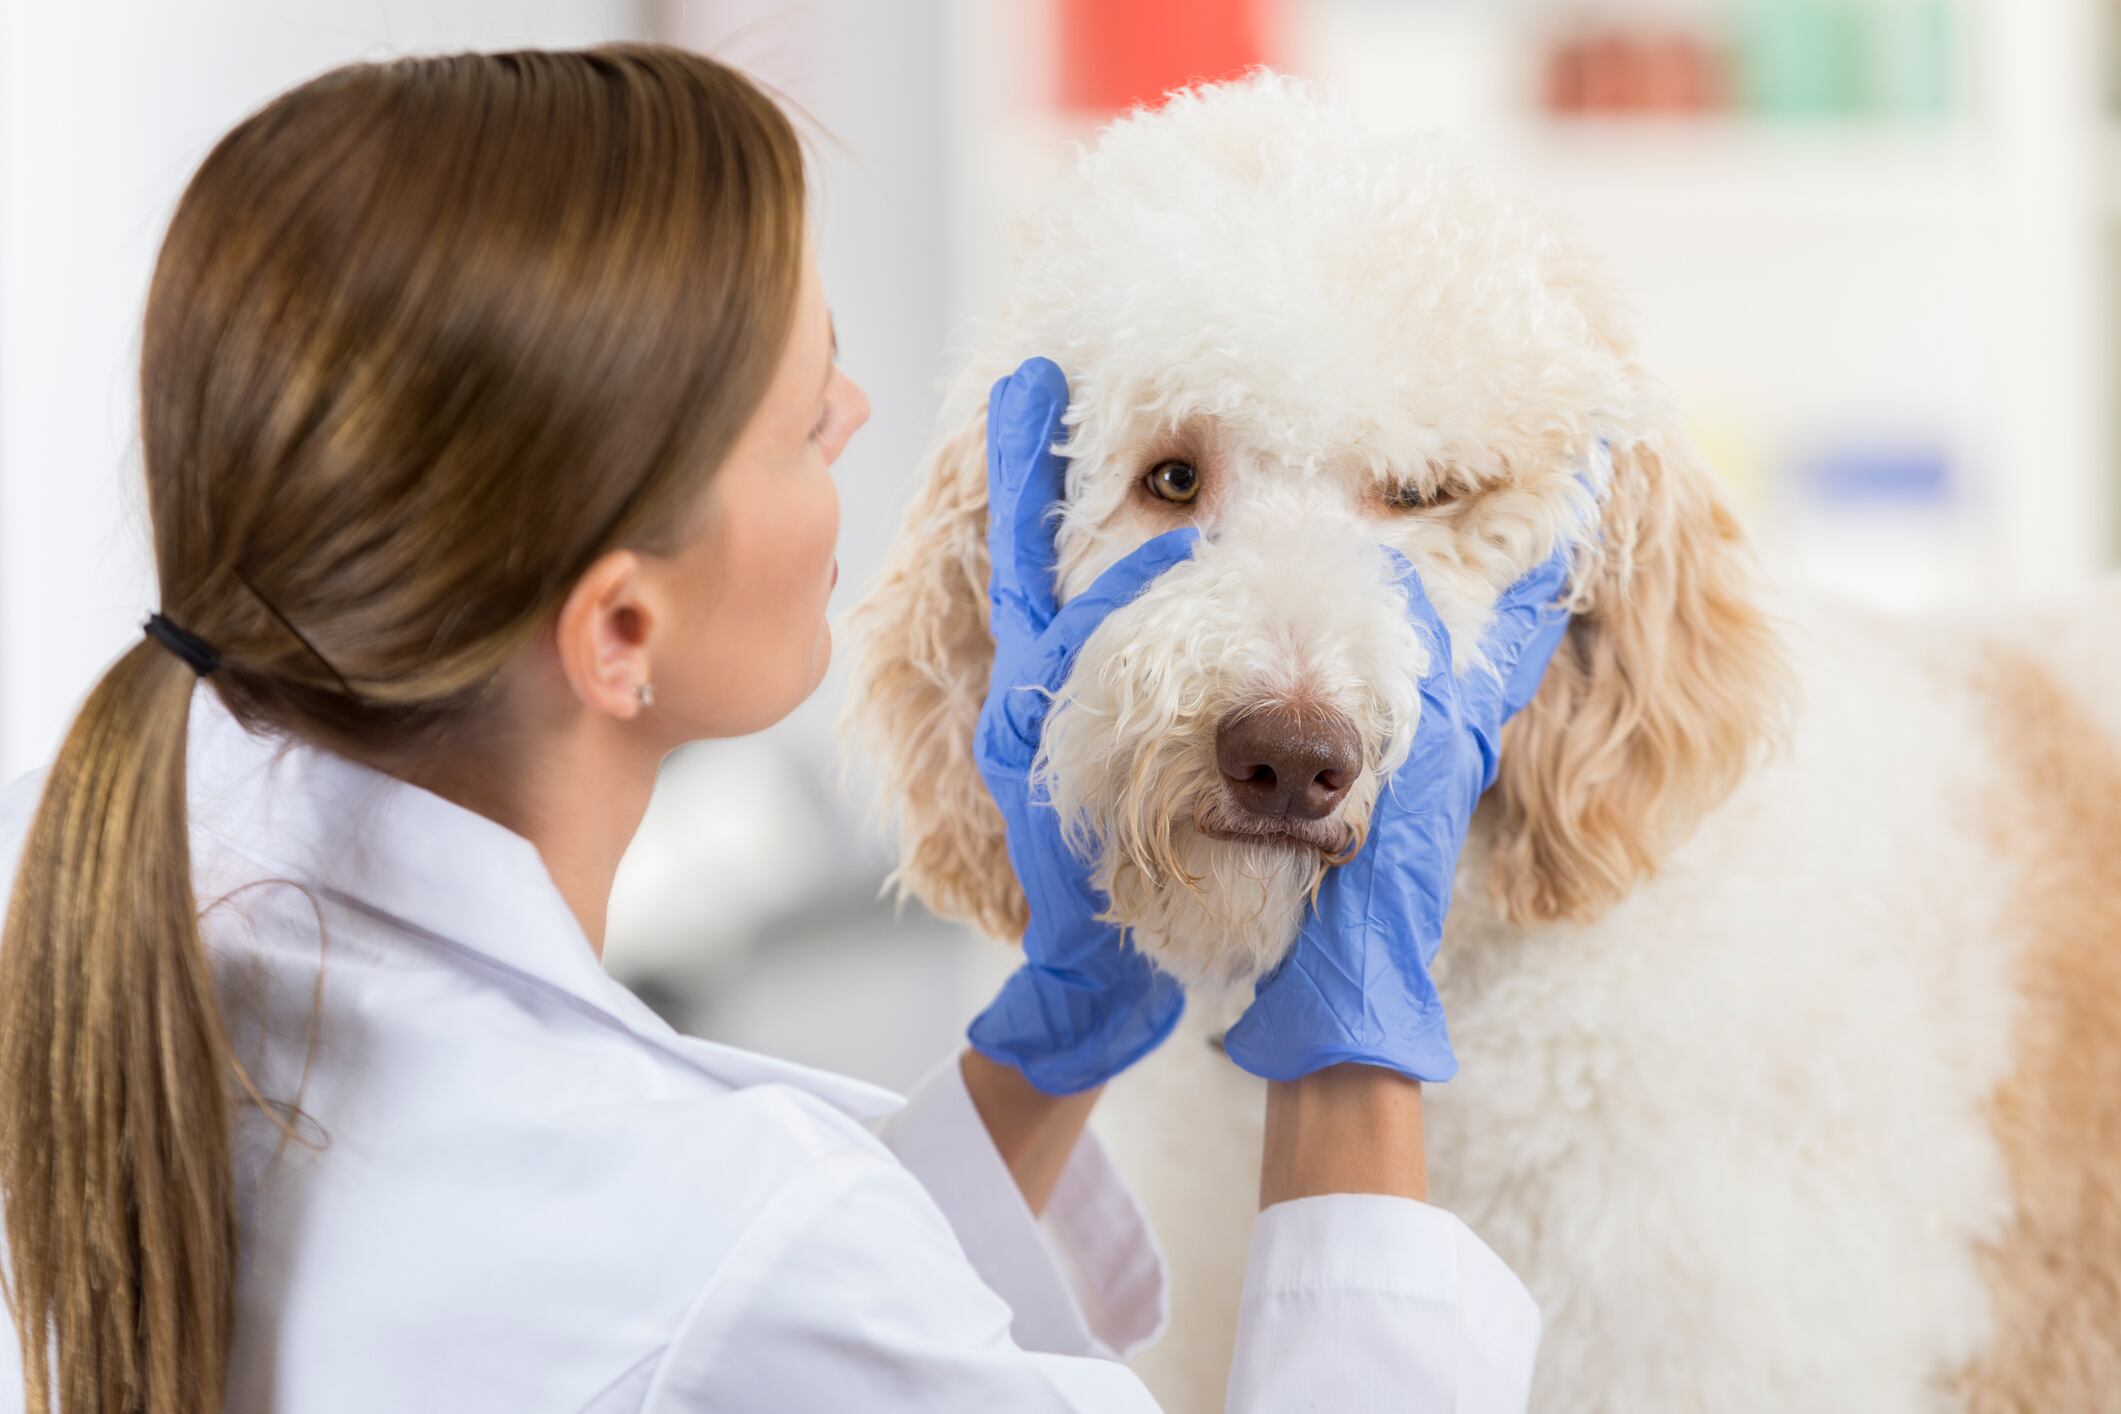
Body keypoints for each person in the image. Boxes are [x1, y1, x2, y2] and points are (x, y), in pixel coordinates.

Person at [0, 45, 1573, 1414]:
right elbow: (737, 1310)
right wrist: (1357, 1056)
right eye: (800, 414)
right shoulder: (721, 1235)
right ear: (622, 629)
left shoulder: (99, 902)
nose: (860, 418)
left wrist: (1054, 1033)